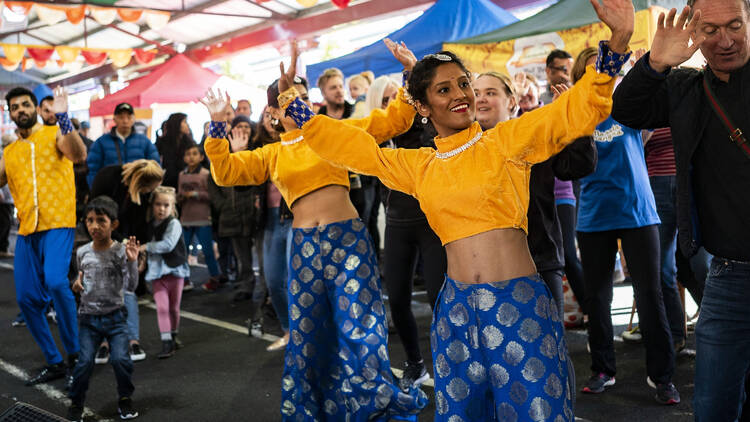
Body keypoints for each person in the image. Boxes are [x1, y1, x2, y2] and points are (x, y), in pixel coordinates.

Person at [284, 2, 633, 418]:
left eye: (463, 84)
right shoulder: (419, 166)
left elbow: (572, 113)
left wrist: (618, 43)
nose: (461, 95)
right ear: (423, 106)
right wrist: (296, 106)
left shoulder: (506, 141)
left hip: (519, 306)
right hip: (455, 312)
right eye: (444, 89)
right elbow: (353, 148)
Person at [202, 47, 426, 419]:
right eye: (292, 99)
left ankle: (370, 410)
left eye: (305, 98)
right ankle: (319, 408)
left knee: (361, 330)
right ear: (273, 113)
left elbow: (394, 121)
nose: (301, 104)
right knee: (309, 336)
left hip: (348, 241)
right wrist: (216, 125)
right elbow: (225, 171)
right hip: (304, 248)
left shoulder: (334, 133)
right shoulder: (272, 154)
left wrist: (410, 74)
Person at [611, 1, 750, 419]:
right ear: (693, 30)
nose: (724, 40)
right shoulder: (687, 88)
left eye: (735, 25)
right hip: (729, 275)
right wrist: (655, 64)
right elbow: (625, 111)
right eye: (710, 30)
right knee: (712, 406)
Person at [569, 45, 678, 404]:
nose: (598, 76)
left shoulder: (628, 105)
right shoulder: (575, 114)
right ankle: (602, 369)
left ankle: (662, 377)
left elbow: (647, 133)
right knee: (598, 298)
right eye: (589, 71)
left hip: (637, 211)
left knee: (650, 294)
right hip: (594, 215)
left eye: (602, 70)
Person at [0, 86, 86, 387]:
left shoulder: (56, 134)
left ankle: (75, 354)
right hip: (26, 230)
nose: (20, 110)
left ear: (36, 108)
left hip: (58, 223)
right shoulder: (9, 153)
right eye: (14, 107)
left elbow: (78, 153)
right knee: (25, 299)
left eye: (25, 104)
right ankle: (54, 360)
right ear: (9, 114)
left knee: (55, 282)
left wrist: (63, 118)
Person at [369, 72, 446, 390]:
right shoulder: (375, 136)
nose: (393, 104)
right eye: (386, 99)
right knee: (398, 299)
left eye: (397, 96)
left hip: (431, 222)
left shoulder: (423, 128)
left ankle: (449, 364)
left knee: (437, 298)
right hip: (398, 224)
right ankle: (416, 364)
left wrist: (410, 74)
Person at [67, 196, 140, 422]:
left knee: (120, 360)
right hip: (89, 319)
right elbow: (78, 280)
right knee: (85, 363)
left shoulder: (120, 251)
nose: (94, 226)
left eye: (101, 220)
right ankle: (76, 403)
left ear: (114, 224)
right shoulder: (81, 252)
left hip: (116, 317)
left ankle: (125, 399)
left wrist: (132, 262)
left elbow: (130, 286)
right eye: (89, 220)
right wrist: (75, 286)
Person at [89, 159, 164, 363]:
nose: (150, 192)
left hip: (127, 243)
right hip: (101, 240)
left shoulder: (142, 193)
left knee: (128, 292)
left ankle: (132, 340)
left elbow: (141, 225)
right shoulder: (107, 177)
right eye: (149, 188)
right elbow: (95, 215)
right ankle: (103, 343)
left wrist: (140, 254)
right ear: (140, 181)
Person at [205, 116, 265, 316]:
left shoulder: (258, 152)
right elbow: (213, 181)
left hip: (255, 214)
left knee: (262, 256)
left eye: (247, 126)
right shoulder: (224, 157)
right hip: (231, 214)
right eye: (239, 127)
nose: (243, 130)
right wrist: (223, 205)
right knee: (242, 256)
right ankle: (245, 285)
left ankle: (266, 291)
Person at [252, 106, 293, 352]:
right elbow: (241, 186)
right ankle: (288, 331)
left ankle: (305, 332)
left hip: (295, 216)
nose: (270, 119)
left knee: (296, 279)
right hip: (268, 220)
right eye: (265, 115)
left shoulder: (296, 143)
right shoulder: (256, 150)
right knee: (274, 279)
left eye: (273, 114)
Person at [141, 186, 189, 359]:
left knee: (174, 308)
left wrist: (146, 247)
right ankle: (166, 342)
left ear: (172, 206)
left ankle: (174, 335)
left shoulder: (174, 224)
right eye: (158, 204)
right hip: (156, 273)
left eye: (166, 205)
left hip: (175, 271)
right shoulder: (148, 225)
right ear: (152, 205)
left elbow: (168, 244)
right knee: (162, 308)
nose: (161, 209)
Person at [178, 143, 222, 289]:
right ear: (184, 158)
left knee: (208, 251)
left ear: (202, 157)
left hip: (203, 218)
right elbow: (179, 195)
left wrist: (195, 194)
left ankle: (215, 278)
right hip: (186, 219)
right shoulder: (181, 175)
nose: (191, 157)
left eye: (194, 154)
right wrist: (180, 197)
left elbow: (212, 195)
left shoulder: (206, 174)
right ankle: (184, 280)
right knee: (183, 252)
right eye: (188, 154)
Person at [86, 102, 160, 186]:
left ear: (134, 119)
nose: (125, 121)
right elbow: (93, 170)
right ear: (114, 119)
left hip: (139, 189)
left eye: (129, 117)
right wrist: (96, 190)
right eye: (121, 117)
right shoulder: (101, 142)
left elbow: (155, 166)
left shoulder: (144, 141)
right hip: (110, 190)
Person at [156, 113, 195, 189]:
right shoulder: (162, 142)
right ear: (177, 124)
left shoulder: (189, 143)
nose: (188, 125)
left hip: (186, 182)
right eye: (185, 122)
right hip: (166, 183)